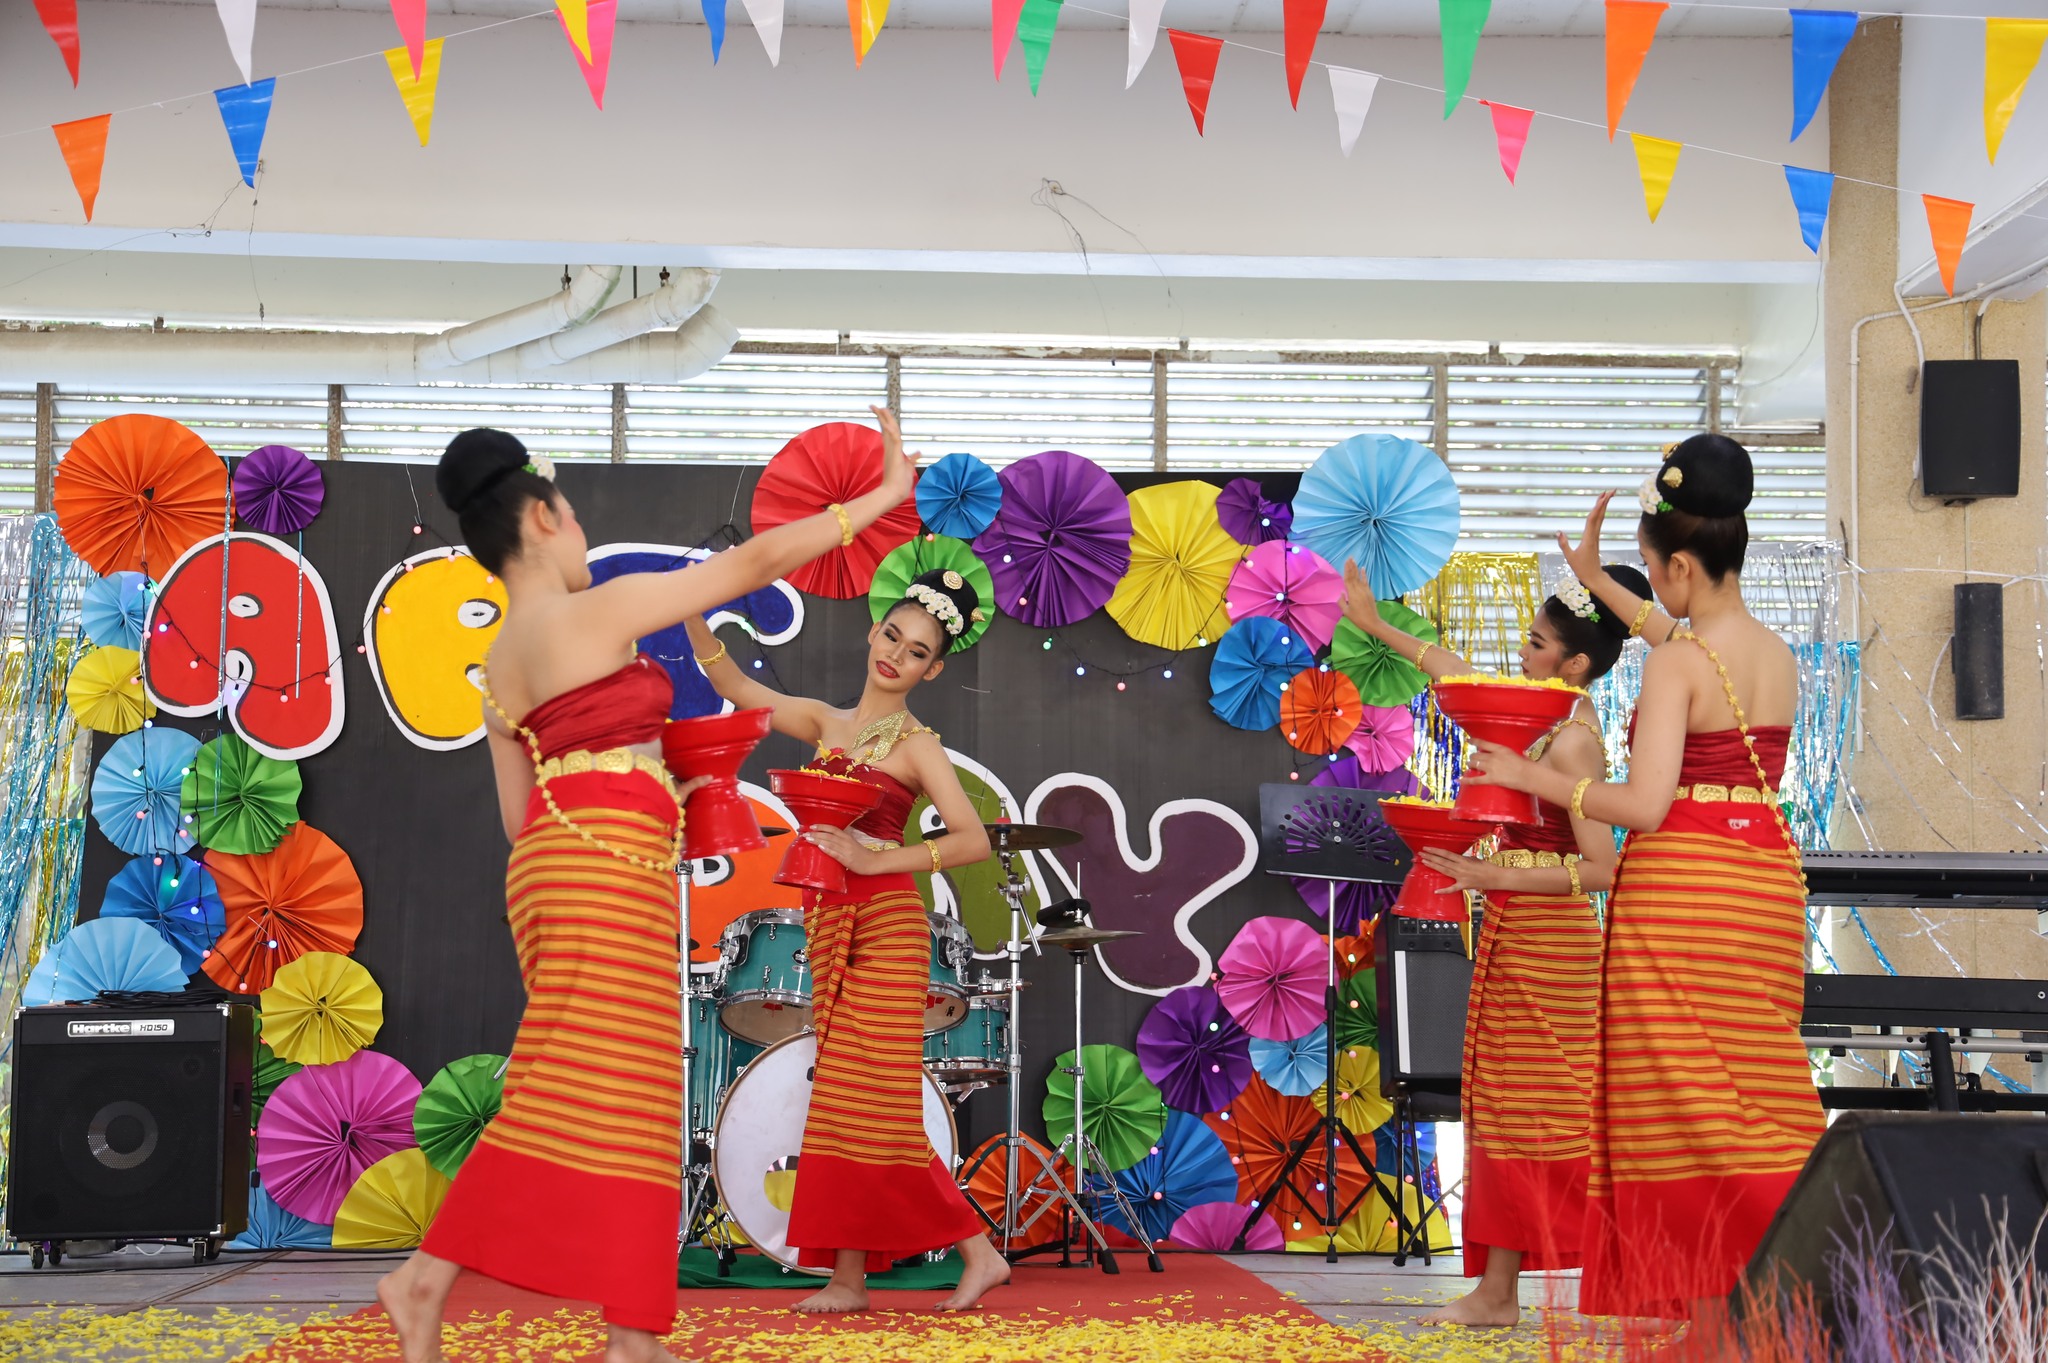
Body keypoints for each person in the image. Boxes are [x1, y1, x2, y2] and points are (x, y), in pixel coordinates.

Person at [376, 411, 917, 1363]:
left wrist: (657, 783)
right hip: (604, 866)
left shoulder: (499, 664)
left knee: (621, 1089)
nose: (582, 535)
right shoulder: (592, 612)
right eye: (577, 517)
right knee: (576, 1086)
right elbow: (754, 563)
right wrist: (879, 498)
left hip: (560, 864)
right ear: (542, 518)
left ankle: (633, 1331)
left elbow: (520, 818)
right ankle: (427, 1279)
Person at [1462, 434, 1821, 1327]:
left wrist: (1529, 774)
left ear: (1684, 566)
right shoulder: (1773, 654)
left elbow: (1645, 805)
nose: (1651, 593)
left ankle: (1708, 1319)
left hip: (1685, 894)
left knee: (1680, 1104)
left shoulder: (1677, 662)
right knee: (1758, 1097)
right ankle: (1790, 1290)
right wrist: (1597, 578)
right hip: (1763, 887)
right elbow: (1678, 634)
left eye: (1655, 573)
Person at [683, 567, 1011, 1315]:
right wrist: (693, 611)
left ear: (933, 669)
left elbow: (972, 840)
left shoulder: (920, 746)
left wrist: (871, 859)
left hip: (889, 926)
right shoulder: (825, 721)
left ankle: (973, 1252)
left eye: (917, 651)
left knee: (875, 1102)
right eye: (892, 636)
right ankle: (850, 1279)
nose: (897, 654)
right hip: (831, 924)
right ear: (873, 632)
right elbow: (735, 684)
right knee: (843, 1103)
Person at [1341, 555, 1641, 1327]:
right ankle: (1501, 1290)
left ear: (1576, 664)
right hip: (1511, 929)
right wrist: (1374, 624)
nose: (1521, 651)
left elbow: (1602, 868)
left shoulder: (1573, 743)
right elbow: (1457, 671)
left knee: (1534, 1113)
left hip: (1553, 949)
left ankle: (1524, 1286)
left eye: (1537, 643)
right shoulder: (1534, 714)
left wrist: (1490, 876)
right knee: (1504, 1112)